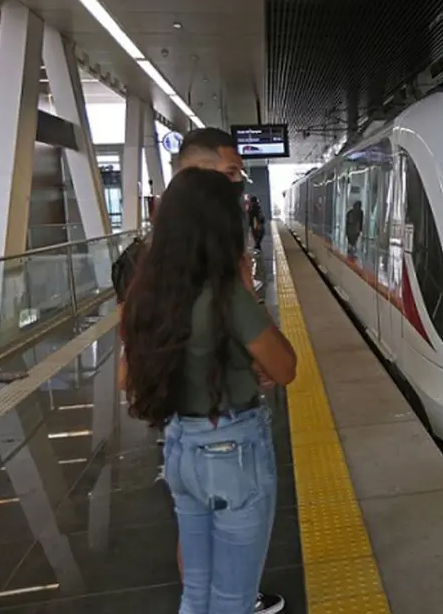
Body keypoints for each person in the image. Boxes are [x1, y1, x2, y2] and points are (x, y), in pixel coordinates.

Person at [111, 128, 286, 614]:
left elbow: (127, 376)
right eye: (230, 175)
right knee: (232, 600)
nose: (236, 188)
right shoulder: (225, 286)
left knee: (198, 592)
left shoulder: (145, 277)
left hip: (181, 445)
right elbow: (285, 367)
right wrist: (246, 292)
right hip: (230, 444)